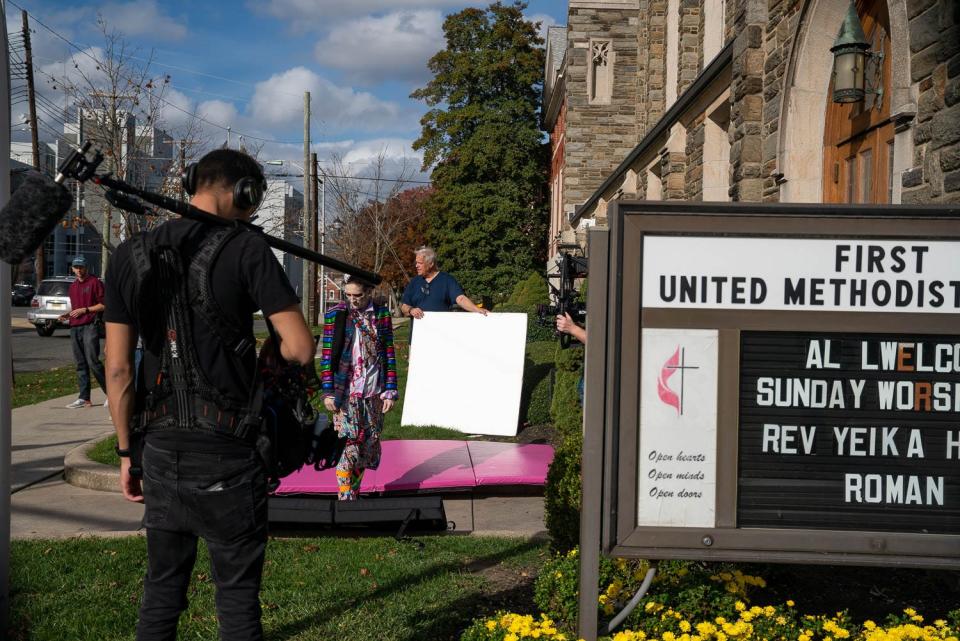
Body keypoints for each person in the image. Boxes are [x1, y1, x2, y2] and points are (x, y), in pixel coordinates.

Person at [103, 148, 315, 641]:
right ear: (245, 192)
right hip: (228, 451)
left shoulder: (130, 256)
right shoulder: (248, 250)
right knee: (237, 598)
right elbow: (300, 348)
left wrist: (125, 453)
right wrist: (271, 353)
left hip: (157, 448)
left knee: (161, 588)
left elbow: (117, 370)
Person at [321, 277, 399, 500]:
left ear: (369, 292)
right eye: (349, 295)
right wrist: (328, 391)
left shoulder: (381, 315)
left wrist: (390, 388)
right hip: (346, 391)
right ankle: (345, 494)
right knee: (351, 442)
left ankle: (353, 493)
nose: (353, 300)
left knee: (368, 445)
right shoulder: (337, 313)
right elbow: (328, 355)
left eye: (358, 295)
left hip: (373, 389)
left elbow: (389, 353)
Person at [63, 255, 107, 409]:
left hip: (90, 326)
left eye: (81, 267)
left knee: (93, 362)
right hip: (75, 327)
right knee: (80, 364)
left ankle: (111, 394)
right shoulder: (73, 286)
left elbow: (103, 305)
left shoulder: (95, 283)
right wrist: (67, 315)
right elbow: (76, 308)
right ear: (73, 269)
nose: (79, 270)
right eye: (76, 267)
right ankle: (84, 398)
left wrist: (86, 310)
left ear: (86, 267)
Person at [399, 246, 488, 318]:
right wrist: (411, 310)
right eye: (416, 263)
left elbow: (460, 298)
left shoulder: (447, 280)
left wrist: (476, 309)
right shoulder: (414, 282)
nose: (416, 266)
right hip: (418, 335)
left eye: (420, 263)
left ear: (431, 264)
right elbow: (404, 306)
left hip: (442, 333)